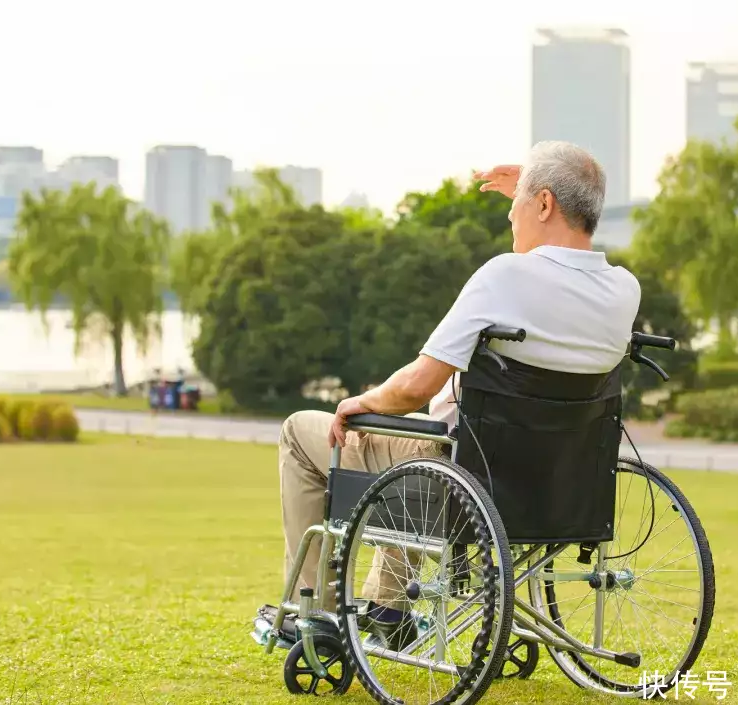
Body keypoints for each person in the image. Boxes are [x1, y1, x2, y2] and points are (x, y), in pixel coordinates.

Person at [261, 140, 642, 648]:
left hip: (464, 474)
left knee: (306, 433)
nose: (510, 217)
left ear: (545, 204)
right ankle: (384, 608)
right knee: (425, 445)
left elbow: (418, 386)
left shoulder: (504, 275)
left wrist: (363, 401)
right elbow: (567, 234)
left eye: (518, 206)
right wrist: (534, 181)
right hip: (557, 481)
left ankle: (319, 616)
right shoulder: (623, 291)